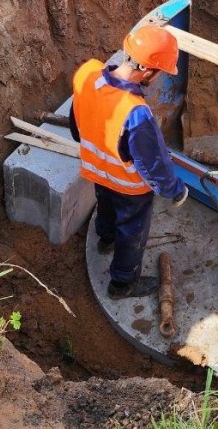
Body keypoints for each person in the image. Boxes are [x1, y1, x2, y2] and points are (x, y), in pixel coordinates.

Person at [69, 24, 189, 299]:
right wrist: (175, 190)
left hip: (97, 171)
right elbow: (153, 166)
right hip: (129, 188)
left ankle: (105, 239)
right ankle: (122, 284)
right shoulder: (136, 114)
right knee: (132, 232)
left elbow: (76, 127)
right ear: (148, 71)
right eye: (160, 72)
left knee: (107, 208)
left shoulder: (87, 74)